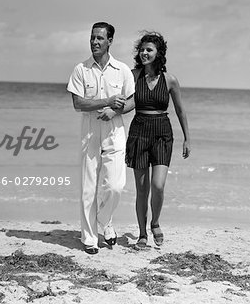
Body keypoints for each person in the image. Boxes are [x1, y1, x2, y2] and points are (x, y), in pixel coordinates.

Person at [67, 22, 135, 255]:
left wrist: (115, 110)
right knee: (89, 187)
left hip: (115, 130)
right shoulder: (81, 69)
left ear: (110, 41)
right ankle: (89, 238)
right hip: (89, 129)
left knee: (116, 186)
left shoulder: (122, 70)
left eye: (99, 38)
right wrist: (107, 101)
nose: (95, 42)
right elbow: (78, 103)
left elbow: (132, 101)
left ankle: (104, 221)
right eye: (92, 38)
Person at [125, 31, 190, 248]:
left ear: (158, 53)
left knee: (158, 185)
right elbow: (127, 104)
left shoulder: (170, 80)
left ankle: (155, 222)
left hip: (162, 133)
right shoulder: (133, 76)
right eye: (142, 50)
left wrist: (187, 139)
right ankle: (142, 233)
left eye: (149, 50)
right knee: (142, 189)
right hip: (139, 132)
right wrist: (108, 109)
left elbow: (180, 111)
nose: (144, 53)